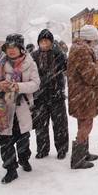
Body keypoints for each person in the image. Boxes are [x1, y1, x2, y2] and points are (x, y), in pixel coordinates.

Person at [0, 33, 40, 184]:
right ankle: (10, 169)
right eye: (8, 47)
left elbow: (36, 83)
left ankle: (24, 159)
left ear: (21, 48)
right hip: (4, 109)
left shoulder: (30, 63)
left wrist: (18, 86)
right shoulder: (1, 63)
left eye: (14, 47)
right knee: (5, 140)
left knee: (23, 138)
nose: (10, 50)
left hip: (22, 107)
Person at [67, 25, 98, 169]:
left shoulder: (77, 48)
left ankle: (83, 153)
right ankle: (78, 158)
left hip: (79, 93)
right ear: (91, 37)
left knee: (83, 122)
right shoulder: (82, 50)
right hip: (84, 94)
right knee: (87, 123)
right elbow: (91, 74)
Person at [31, 29, 69, 160]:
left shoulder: (58, 54)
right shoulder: (34, 56)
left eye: (47, 41)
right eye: (42, 41)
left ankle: (62, 149)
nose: (44, 43)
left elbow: (66, 68)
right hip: (39, 96)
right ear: (38, 42)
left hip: (56, 95)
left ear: (51, 42)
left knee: (60, 125)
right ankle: (42, 149)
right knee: (41, 125)